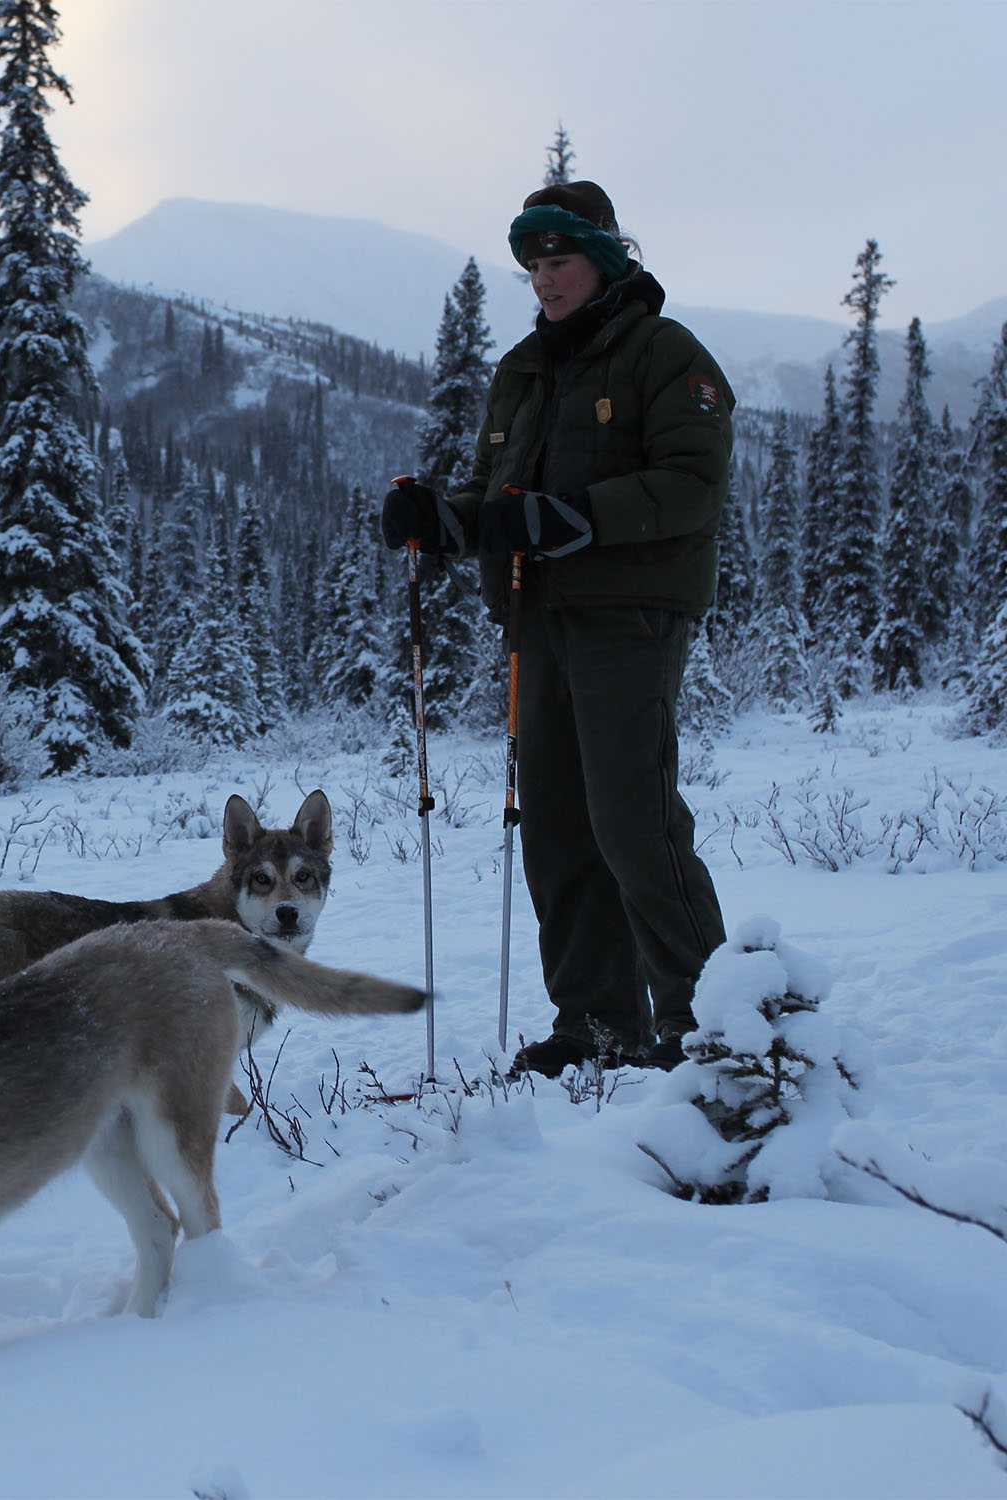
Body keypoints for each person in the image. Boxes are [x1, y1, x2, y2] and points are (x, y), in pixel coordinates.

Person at [376, 179, 733, 1077]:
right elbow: (509, 503)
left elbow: (692, 486)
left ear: (604, 258)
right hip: (539, 623)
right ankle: (596, 1024)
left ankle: (708, 1027)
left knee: (634, 823)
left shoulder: (664, 353)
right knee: (559, 831)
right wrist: (443, 521)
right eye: (532, 263)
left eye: (560, 258)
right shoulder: (523, 371)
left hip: (629, 617)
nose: (543, 277)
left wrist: (571, 518)